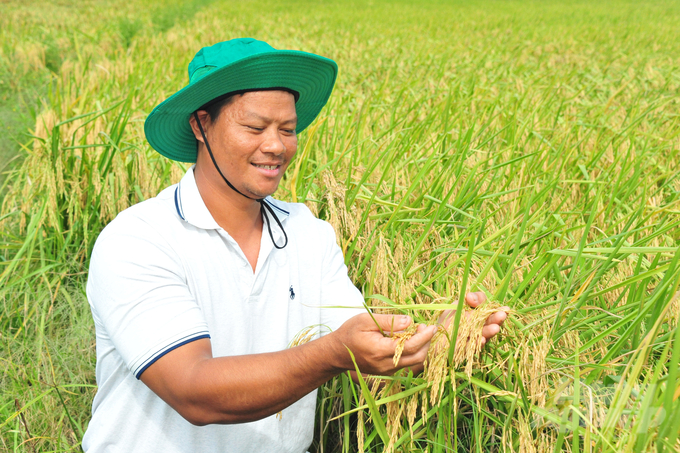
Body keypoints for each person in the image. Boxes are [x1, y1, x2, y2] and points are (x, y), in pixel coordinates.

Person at [83, 38, 508, 452]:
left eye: (287, 129)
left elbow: (369, 361)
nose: (275, 146)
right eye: (254, 127)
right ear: (200, 124)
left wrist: (439, 339)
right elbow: (193, 390)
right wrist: (331, 353)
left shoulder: (308, 233)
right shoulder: (139, 239)